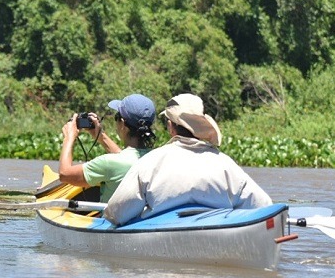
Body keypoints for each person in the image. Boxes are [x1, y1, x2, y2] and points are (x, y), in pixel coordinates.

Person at [104, 93, 273, 225]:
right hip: (217, 231)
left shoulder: (150, 162)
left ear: (170, 127)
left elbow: (116, 213)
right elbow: (264, 205)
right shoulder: (225, 164)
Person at [58, 93, 158, 203]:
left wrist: (69, 137)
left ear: (123, 124)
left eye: (117, 117)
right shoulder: (157, 158)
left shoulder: (108, 162)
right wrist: (100, 136)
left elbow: (64, 174)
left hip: (110, 219)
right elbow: (126, 158)